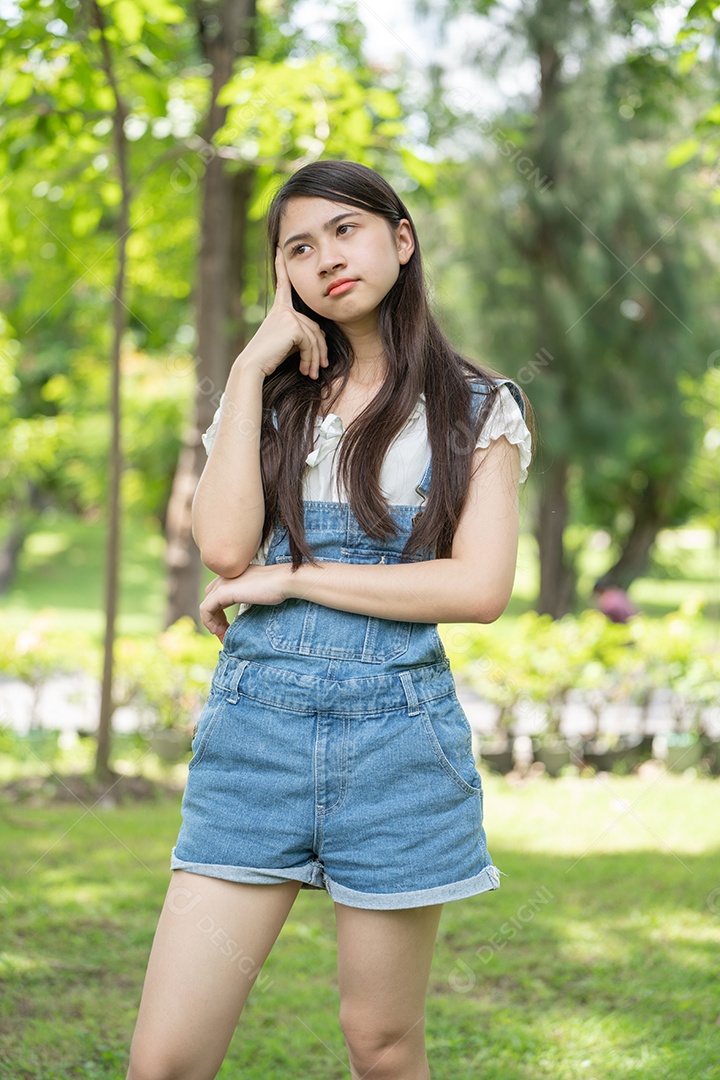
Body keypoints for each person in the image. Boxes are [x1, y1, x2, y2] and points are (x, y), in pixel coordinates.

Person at [126, 159, 533, 1080]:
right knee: (164, 1062)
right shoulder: (267, 398)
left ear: (402, 238)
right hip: (253, 742)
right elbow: (229, 549)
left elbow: (478, 590)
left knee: (382, 1047)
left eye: (345, 231)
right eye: (298, 249)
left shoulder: (477, 410)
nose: (325, 259)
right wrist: (245, 364)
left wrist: (299, 579)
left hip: (398, 750)